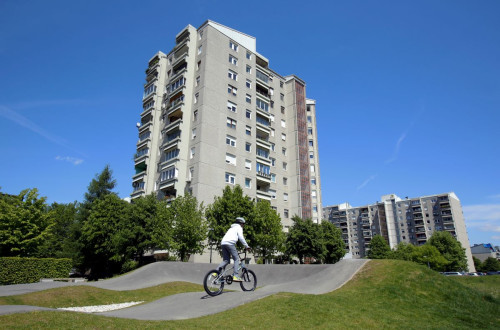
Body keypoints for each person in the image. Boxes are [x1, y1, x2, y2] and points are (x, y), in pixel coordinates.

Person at [217, 217, 251, 282]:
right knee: (236, 259)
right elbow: (241, 237)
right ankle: (235, 275)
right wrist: (247, 246)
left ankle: (216, 272)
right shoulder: (239, 228)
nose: (243, 226)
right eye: (243, 224)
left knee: (226, 260)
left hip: (223, 243)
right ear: (241, 223)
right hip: (230, 243)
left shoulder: (231, 228)